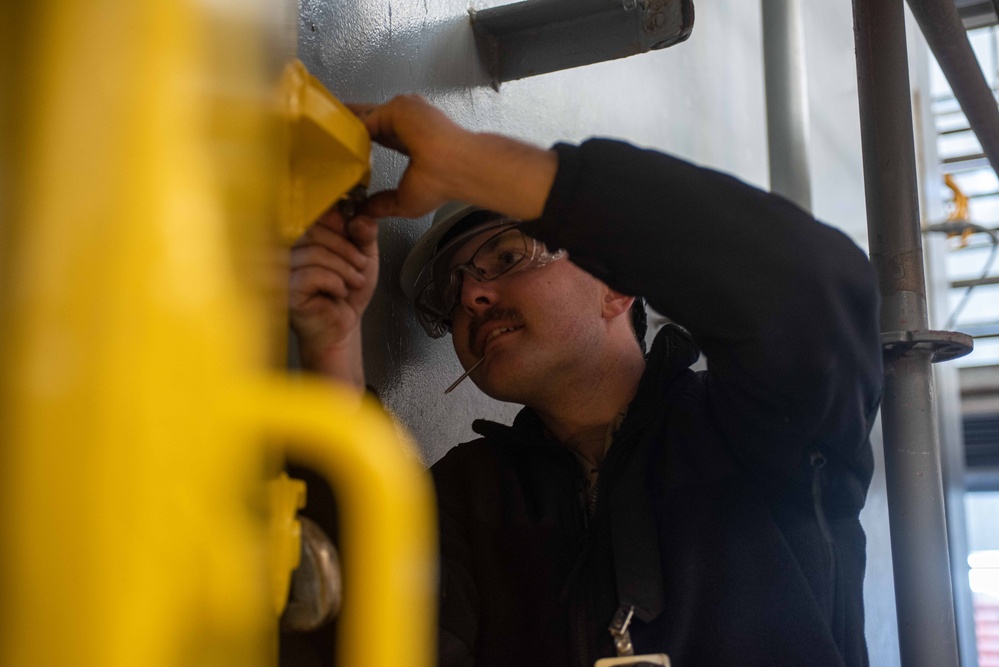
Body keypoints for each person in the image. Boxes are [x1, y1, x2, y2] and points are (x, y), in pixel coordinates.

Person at [289, 95, 883, 667]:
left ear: (616, 283)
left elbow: (811, 286)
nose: (471, 295)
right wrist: (333, 348)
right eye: (456, 289)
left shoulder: (756, 430)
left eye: (507, 256)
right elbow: (386, 637)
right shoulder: (471, 493)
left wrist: (470, 161)